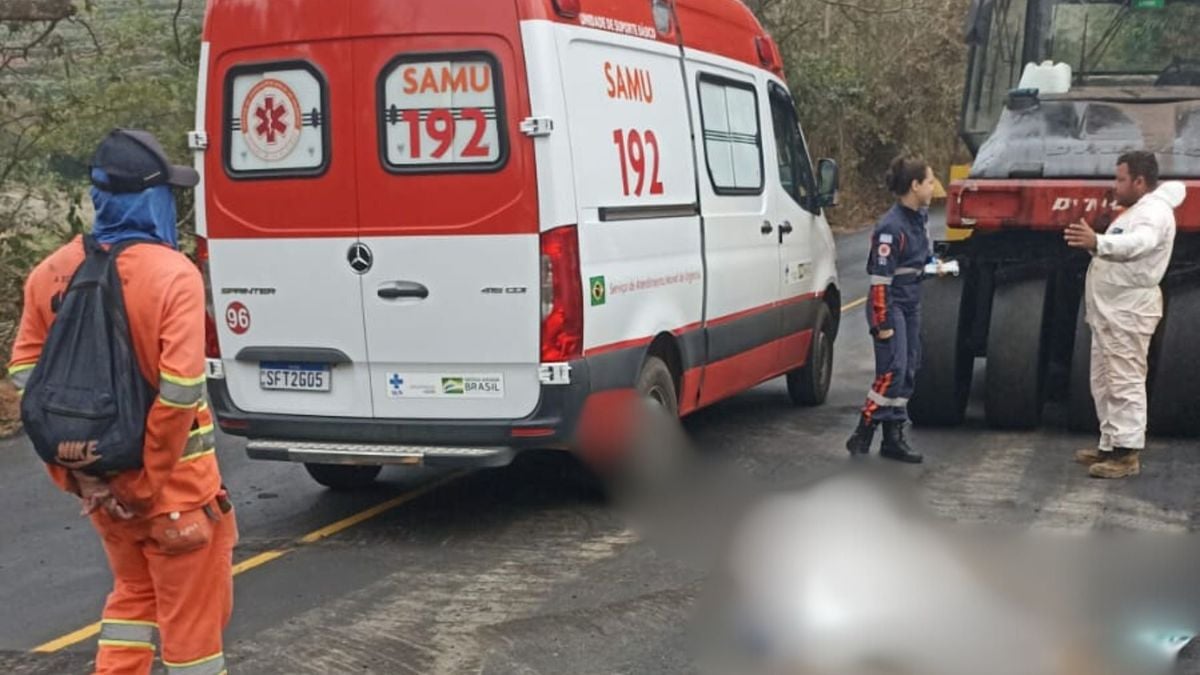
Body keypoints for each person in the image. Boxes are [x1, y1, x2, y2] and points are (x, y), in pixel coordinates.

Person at [7, 129, 236, 674]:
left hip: (103, 496)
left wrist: (83, 478)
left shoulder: (51, 273)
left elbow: (28, 383)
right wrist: (143, 482)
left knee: (132, 601)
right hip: (174, 495)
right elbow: (181, 391)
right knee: (193, 638)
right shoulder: (172, 276)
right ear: (150, 197)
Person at [1065, 151, 1184, 479]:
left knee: (1125, 380)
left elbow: (1139, 244)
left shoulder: (1153, 214)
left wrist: (1098, 242)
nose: (1115, 186)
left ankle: (1127, 454)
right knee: (1104, 380)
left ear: (1140, 181)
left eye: (1120, 179)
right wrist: (1094, 244)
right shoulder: (1138, 211)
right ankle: (1110, 444)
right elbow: (1120, 246)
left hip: (1128, 310)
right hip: (1112, 310)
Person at [845, 156, 938, 463]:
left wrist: (941, 267)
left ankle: (893, 437)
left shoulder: (920, 218)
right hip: (891, 303)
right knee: (892, 370)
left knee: (909, 368)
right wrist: (883, 321)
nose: (933, 186)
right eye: (929, 181)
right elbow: (880, 281)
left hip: (911, 302)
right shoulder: (890, 227)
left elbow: (922, 261)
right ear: (914, 186)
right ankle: (864, 430)